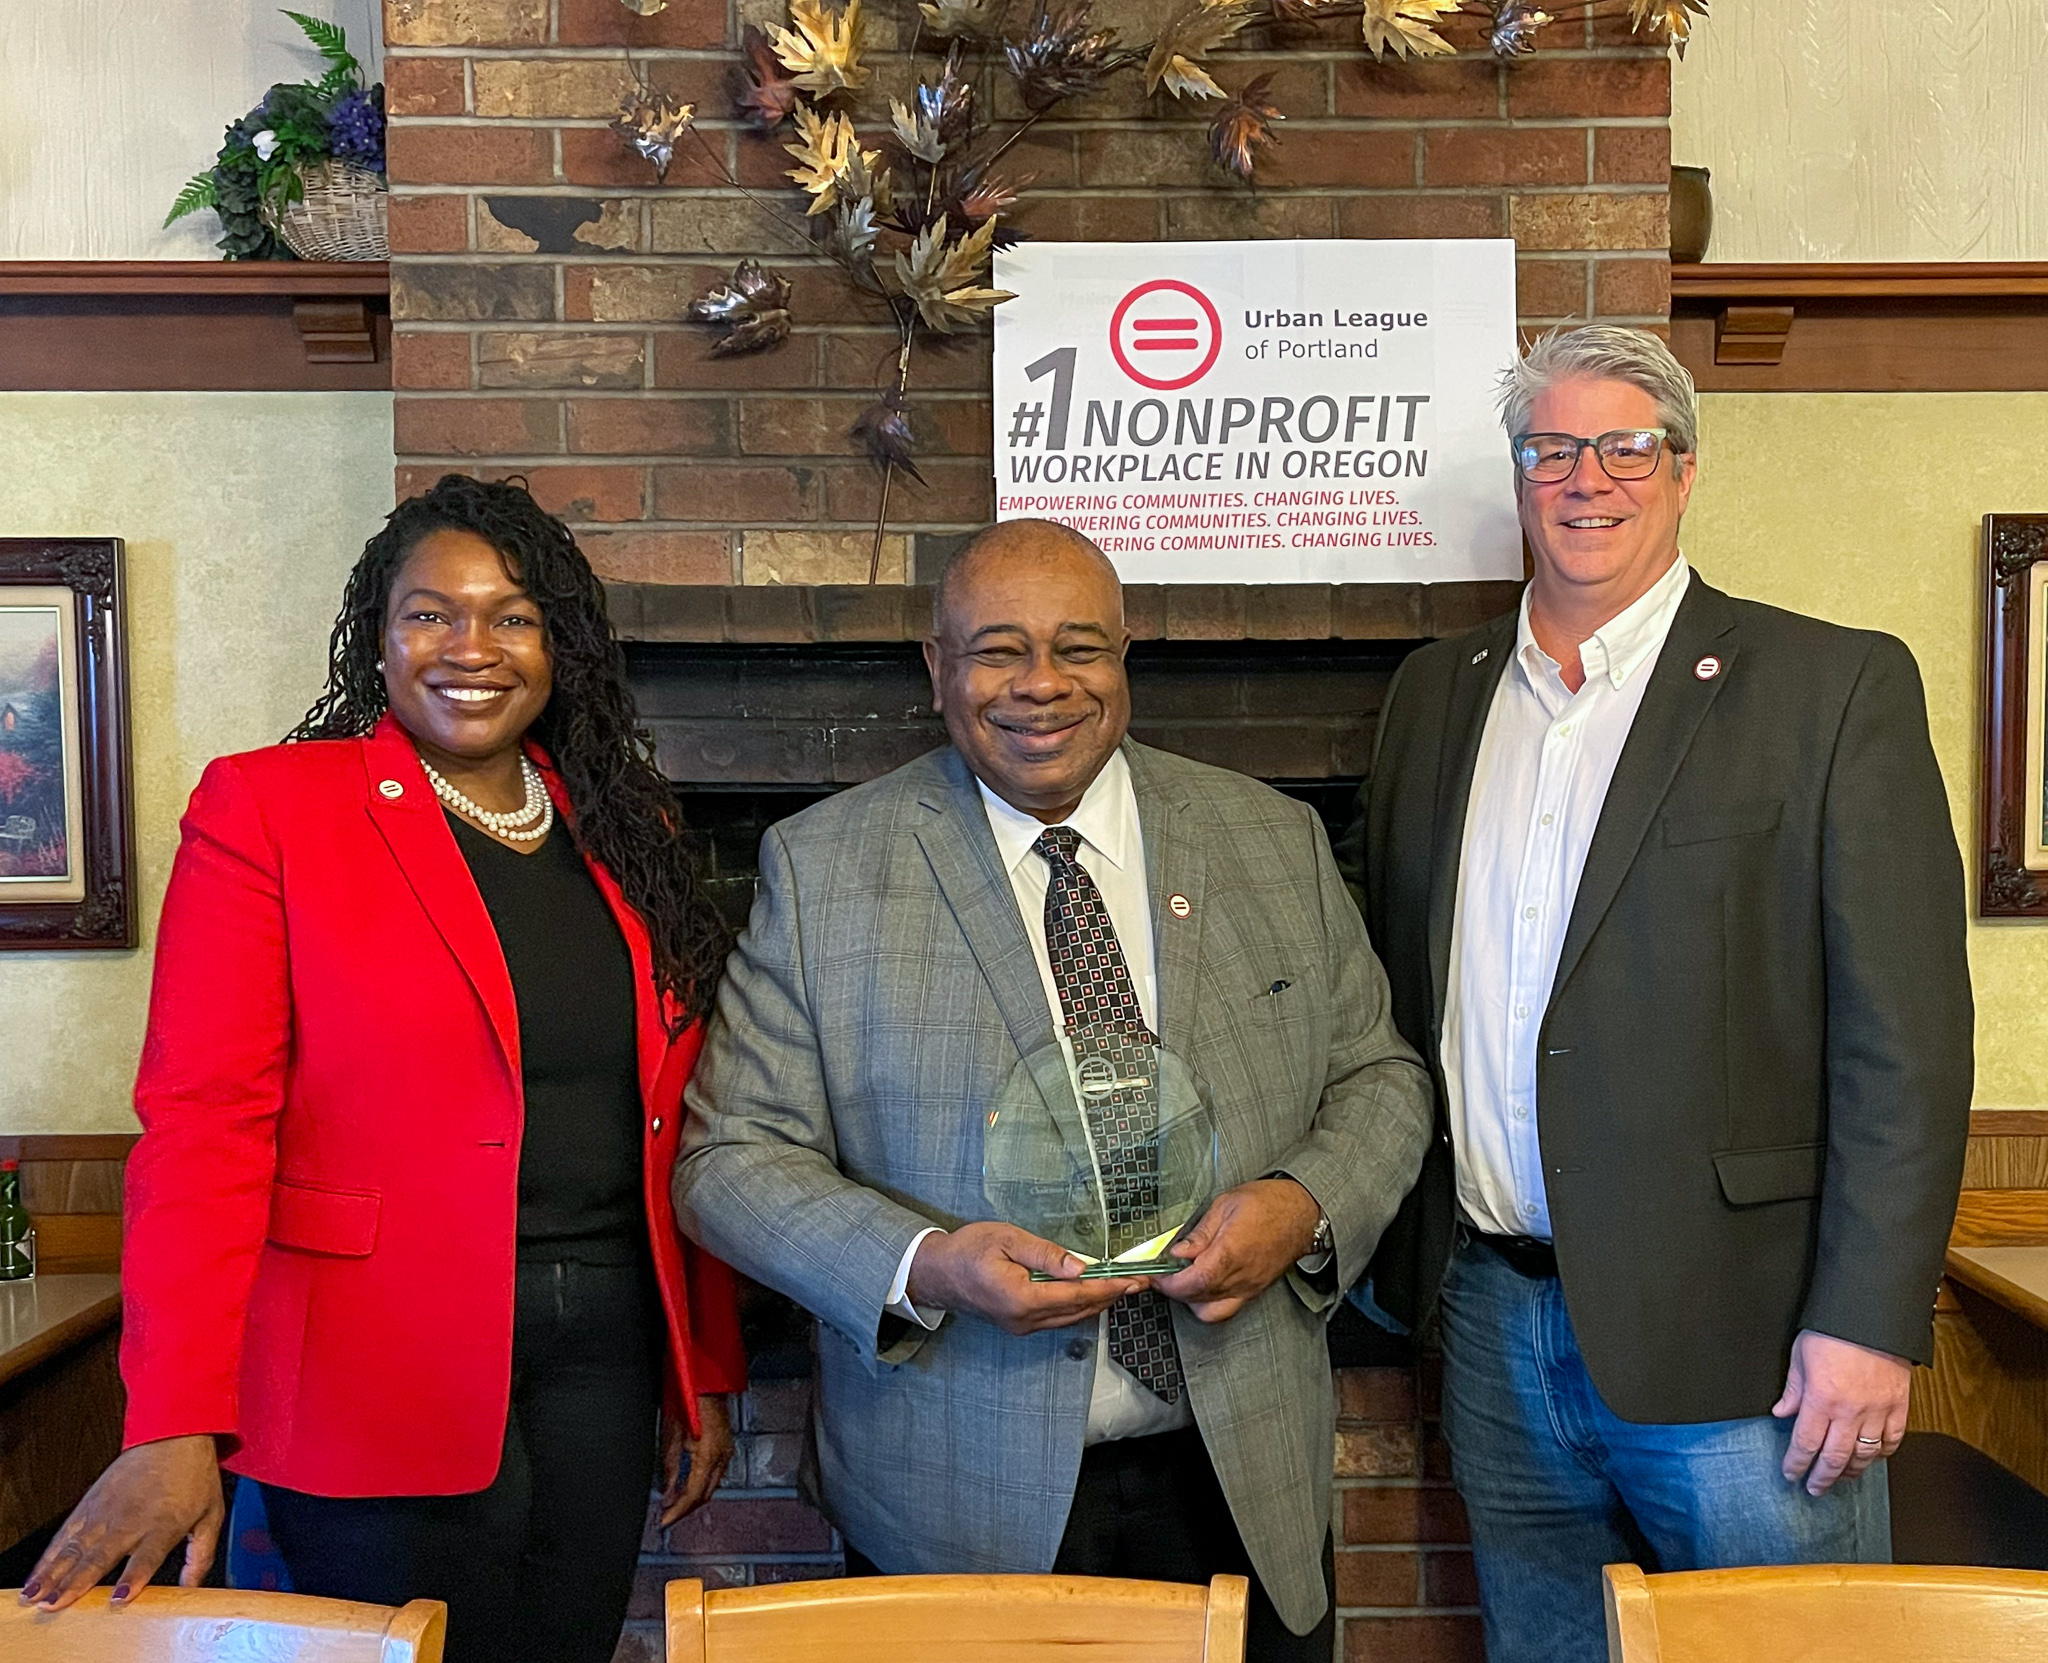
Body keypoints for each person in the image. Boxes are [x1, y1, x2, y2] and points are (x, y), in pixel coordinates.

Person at [674, 519, 1432, 1663]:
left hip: (1238, 1470)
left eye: (1078, 646)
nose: (1041, 684)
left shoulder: (1270, 838)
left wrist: (1303, 1204)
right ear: (936, 668)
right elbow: (727, 1160)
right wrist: (925, 1264)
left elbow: (1379, 1076)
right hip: (955, 1486)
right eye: (996, 649)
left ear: (1125, 659)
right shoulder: (821, 867)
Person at [22, 476, 747, 1663]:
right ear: (378, 635)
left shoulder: (626, 832)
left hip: (601, 1350)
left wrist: (698, 1362)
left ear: (557, 646)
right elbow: (204, 1126)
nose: (472, 648)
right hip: (369, 1359)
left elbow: (678, 1116)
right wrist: (172, 1420)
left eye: (512, 617)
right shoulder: (271, 809)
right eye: (431, 613)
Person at [1345, 325, 1974, 1662]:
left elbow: (1903, 1042)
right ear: (1518, 478)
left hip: (1749, 1341)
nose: (1588, 478)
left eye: (1625, 446)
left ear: (1684, 472)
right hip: (1496, 1325)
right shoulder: (1432, 697)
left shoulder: (1827, 686)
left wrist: (1870, 1319)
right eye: (1552, 449)